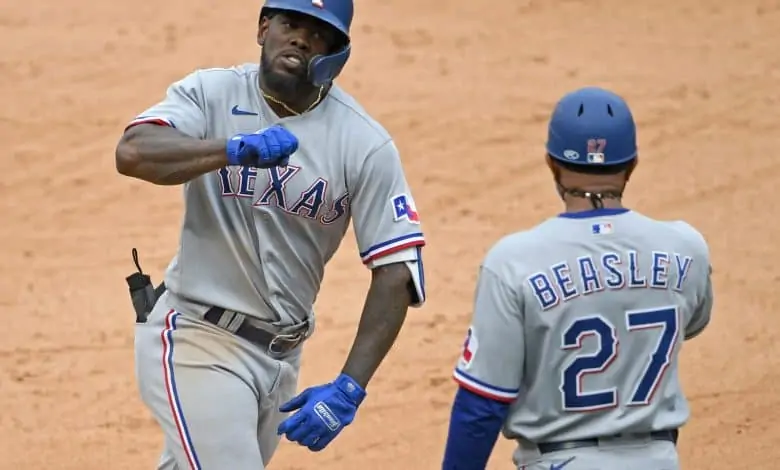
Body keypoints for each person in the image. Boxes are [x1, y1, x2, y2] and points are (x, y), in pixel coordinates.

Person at [114, 0, 427, 468]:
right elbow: (133, 153)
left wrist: (349, 386)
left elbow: (396, 270)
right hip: (199, 339)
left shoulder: (363, 143)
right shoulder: (211, 93)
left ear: (338, 53)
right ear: (264, 28)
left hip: (282, 360)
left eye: (319, 33)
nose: (300, 38)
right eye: (290, 23)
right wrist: (230, 149)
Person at [440, 86, 714, 470]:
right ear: (632, 164)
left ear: (552, 164)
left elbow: (482, 404)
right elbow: (691, 322)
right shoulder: (687, 248)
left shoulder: (514, 261)